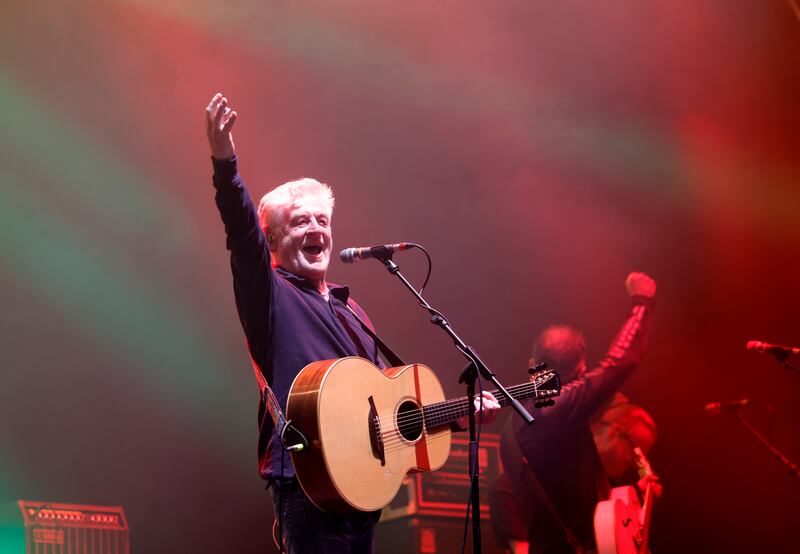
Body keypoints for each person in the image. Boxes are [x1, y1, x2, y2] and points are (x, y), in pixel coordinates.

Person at [205, 93, 499, 553]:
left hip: (361, 488)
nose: (316, 230)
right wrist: (226, 165)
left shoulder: (352, 312)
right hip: (309, 485)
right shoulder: (270, 295)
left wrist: (459, 413)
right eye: (300, 222)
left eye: (322, 220)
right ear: (275, 239)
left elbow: (387, 405)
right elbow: (241, 233)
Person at [497, 272, 656, 554]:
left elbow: (572, 481)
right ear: (581, 370)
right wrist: (641, 302)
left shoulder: (514, 427)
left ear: (532, 363)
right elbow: (619, 362)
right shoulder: (559, 409)